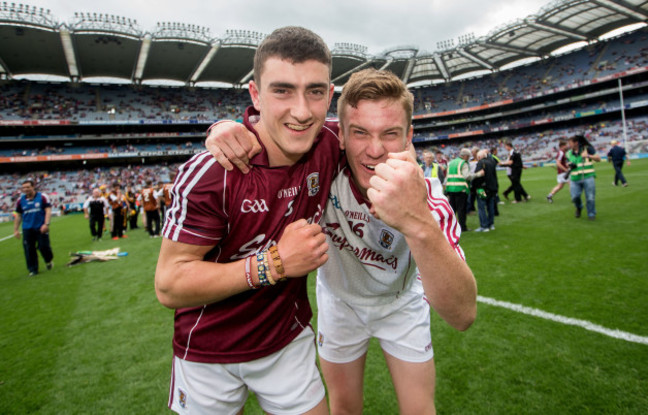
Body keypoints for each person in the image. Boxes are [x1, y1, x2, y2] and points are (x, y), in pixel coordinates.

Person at [206, 68, 478, 415]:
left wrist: (417, 221)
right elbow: (277, 127)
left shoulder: (428, 198)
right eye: (360, 132)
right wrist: (223, 128)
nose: (375, 149)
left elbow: (463, 315)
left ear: (410, 136)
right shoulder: (321, 169)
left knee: (419, 410)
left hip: (400, 303)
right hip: (339, 302)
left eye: (391, 134)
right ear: (341, 136)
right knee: (344, 409)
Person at [154, 26, 339, 415]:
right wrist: (273, 263)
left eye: (316, 92)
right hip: (208, 352)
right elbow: (170, 285)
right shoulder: (213, 171)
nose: (302, 111)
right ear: (255, 95)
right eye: (282, 90)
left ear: (330, 96)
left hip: (287, 340)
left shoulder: (330, 144)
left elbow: (381, 131)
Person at [13, 180, 54, 276]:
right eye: (24, 188)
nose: (26, 189)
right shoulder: (20, 200)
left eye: (28, 187)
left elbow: (48, 210)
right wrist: (16, 230)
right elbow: (18, 215)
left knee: (44, 247)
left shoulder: (42, 197)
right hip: (27, 228)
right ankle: (33, 269)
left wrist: (46, 224)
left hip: (41, 227)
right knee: (29, 249)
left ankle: (48, 260)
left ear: (33, 186)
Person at [444, 148, 484, 232]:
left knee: (453, 209)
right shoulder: (463, 163)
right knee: (461, 209)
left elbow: (447, 177)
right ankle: (463, 227)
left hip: (450, 188)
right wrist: (478, 174)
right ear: (465, 156)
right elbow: (467, 176)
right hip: (461, 189)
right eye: (468, 156)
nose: (469, 158)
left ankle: (452, 226)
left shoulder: (451, 162)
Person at [567, 135, 601, 220]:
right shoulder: (568, 153)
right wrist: (569, 165)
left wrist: (588, 156)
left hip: (588, 177)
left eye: (570, 143)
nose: (569, 145)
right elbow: (568, 163)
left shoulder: (587, 148)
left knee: (590, 197)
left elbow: (598, 158)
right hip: (575, 178)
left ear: (576, 143)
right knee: (574, 197)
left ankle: (591, 213)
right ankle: (579, 207)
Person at [473, 149, 498, 232]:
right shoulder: (492, 162)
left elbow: (478, 176)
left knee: (481, 207)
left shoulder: (481, 163)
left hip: (482, 189)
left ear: (479, 157)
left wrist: (474, 186)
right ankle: (491, 224)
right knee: (490, 206)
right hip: (491, 188)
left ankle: (484, 226)